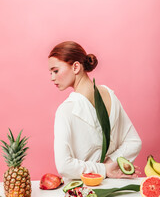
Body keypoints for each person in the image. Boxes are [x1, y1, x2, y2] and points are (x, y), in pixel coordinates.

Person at [48, 41, 142, 180]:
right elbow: (134, 142)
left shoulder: (66, 109)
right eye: (50, 72)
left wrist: (103, 169)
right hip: (115, 185)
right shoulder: (110, 95)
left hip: (84, 189)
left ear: (75, 67)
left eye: (55, 71)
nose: (52, 78)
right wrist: (111, 165)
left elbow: (64, 166)